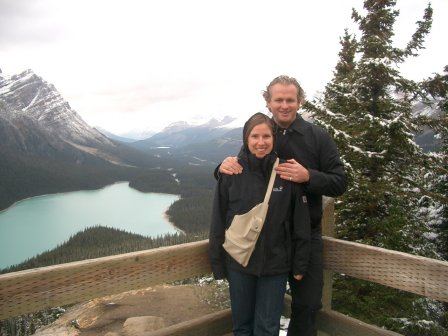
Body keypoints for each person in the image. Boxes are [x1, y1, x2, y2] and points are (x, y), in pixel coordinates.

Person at [217, 75, 347, 336]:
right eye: (279, 100)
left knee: (308, 304)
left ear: (299, 102)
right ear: (269, 102)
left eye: (290, 100)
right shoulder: (262, 131)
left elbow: (340, 182)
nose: (284, 105)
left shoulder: (317, 137)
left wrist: (308, 176)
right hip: (266, 241)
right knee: (259, 314)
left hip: (304, 235)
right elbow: (242, 171)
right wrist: (220, 168)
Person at [209, 112, 312, 336]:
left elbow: (299, 222)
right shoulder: (232, 172)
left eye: (266, 136)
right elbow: (218, 220)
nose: (261, 142)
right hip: (239, 263)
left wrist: (300, 263)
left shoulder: (286, 172)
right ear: (246, 138)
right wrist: (217, 263)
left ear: (274, 139)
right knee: (242, 327)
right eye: (255, 136)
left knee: (267, 328)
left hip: (275, 265)